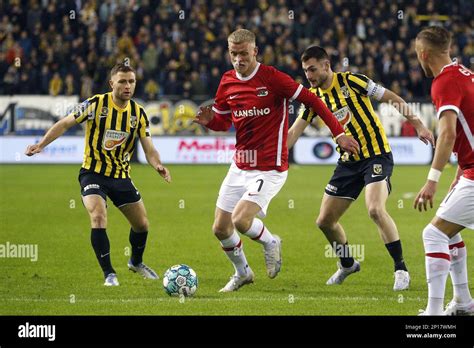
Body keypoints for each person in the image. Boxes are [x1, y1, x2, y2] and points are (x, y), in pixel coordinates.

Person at [193, 29, 359, 292]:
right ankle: (243, 273)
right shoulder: (227, 81)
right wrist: (209, 122)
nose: (238, 60)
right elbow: (224, 121)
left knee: (240, 221)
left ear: (255, 52)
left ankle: (271, 242)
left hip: (269, 167)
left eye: (244, 54)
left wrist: (339, 133)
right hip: (240, 165)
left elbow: (313, 100)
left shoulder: (272, 78)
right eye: (233, 54)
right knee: (220, 228)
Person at [288, 45, 434, 291]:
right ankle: (347, 264)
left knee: (375, 209)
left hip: (377, 155)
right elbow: (293, 132)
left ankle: (400, 268)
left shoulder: (353, 81)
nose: (309, 76)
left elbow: (393, 99)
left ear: (326, 65)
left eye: (312, 69)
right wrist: (272, 158)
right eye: (305, 71)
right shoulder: (312, 99)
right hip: (347, 163)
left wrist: (418, 124)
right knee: (324, 221)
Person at [25, 63, 171, 286]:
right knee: (98, 216)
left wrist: (158, 165)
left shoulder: (138, 113)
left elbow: (149, 148)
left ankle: (136, 262)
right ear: (112, 83)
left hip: (121, 176)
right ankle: (109, 273)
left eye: (131, 81)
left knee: (141, 225)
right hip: (92, 173)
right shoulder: (95, 104)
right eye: (122, 81)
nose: (127, 86)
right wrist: (41, 144)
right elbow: (65, 124)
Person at [413, 26, 474, 315]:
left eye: (417, 55)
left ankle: (434, 313)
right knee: (448, 233)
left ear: (424, 54)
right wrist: (459, 173)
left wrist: (432, 181)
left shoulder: (443, 83)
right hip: (470, 170)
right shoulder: (464, 74)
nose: (417, 60)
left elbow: (448, 134)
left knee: (433, 234)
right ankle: (462, 302)